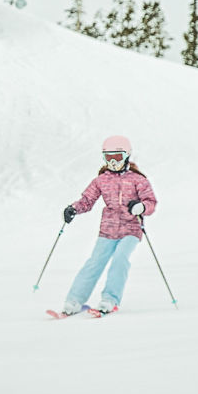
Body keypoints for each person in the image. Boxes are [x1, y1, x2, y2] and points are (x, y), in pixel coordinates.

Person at [54, 135, 158, 317]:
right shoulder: (101, 180)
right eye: (108, 157)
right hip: (108, 230)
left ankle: (110, 299)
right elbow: (87, 200)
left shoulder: (138, 180)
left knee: (120, 259)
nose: (112, 162)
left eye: (116, 157)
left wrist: (141, 207)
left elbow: (150, 202)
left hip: (131, 229)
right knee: (95, 262)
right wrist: (74, 209)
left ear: (126, 155)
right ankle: (74, 300)